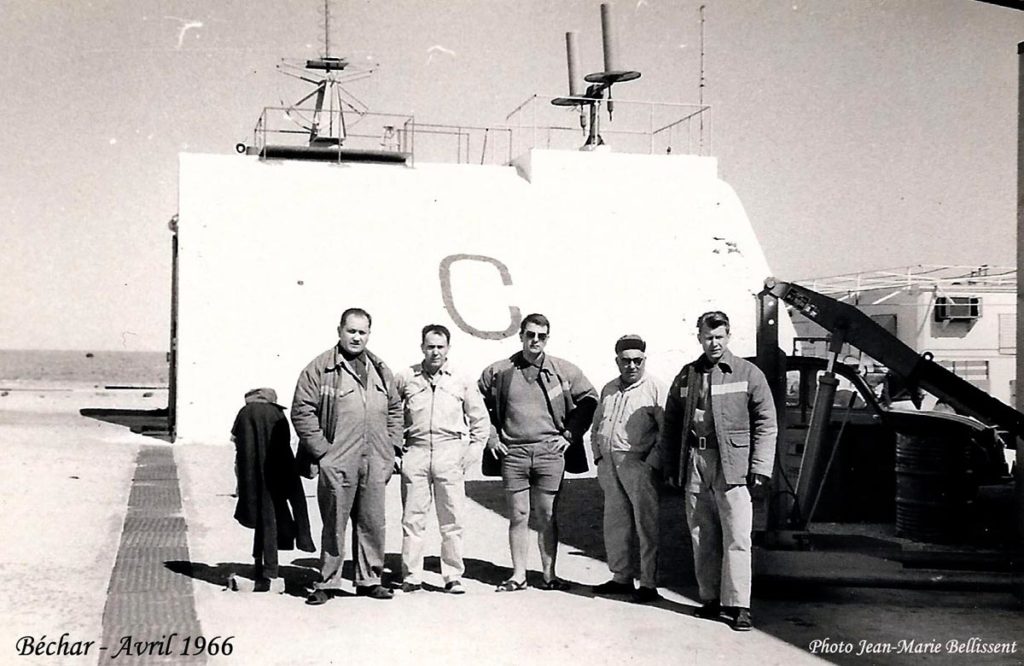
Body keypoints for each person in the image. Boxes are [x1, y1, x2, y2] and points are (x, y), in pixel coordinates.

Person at [648, 311, 777, 631]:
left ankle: (739, 606)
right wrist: (669, 464)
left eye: (720, 337)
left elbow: (766, 421)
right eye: (708, 337)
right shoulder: (687, 375)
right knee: (701, 534)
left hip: (731, 463)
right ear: (699, 338)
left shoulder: (748, 373)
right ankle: (710, 599)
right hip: (696, 460)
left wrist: (760, 466)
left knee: (737, 536)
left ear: (729, 336)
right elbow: (673, 423)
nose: (714, 343)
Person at [478, 313, 598, 591]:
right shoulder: (499, 371)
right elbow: (476, 405)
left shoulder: (563, 370)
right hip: (514, 453)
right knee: (518, 514)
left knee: (546, 515)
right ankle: (518, 575)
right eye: (530, 334)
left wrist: (569, 435)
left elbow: (590, 399)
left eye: (541, 336)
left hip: (549, 453)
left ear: (547, 338)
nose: (535, 340)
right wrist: (492, 437)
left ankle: (549, 574)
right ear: (520, 336)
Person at [291, 308, 403, 604]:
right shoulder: (320, 368)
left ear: (369, 334)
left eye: (362, 332)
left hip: (376, 458)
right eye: (351, 331)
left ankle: (369, 580)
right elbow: (302, 410)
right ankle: (327, 582)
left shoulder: (380, 368)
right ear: (339, 330)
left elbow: (394, 409)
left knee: (373, 521)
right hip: (337, 458)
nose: (356, 337)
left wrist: (392, 448)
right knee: (334, 521)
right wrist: (323, 452)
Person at [394, 324, 490, 595]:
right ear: (422, 347)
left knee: (452, 518)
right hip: (417, 450)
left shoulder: (461, 379)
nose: (435, 352)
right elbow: (390, 413)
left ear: (448, 348)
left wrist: (470, 453)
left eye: (440, 346)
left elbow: (480, 421)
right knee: (412, 519)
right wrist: (396, 451)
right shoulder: (406, 377)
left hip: (450, 452)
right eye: (430, 346)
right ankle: (411, 575)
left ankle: (452, 575)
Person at [590, 335, 667, 603]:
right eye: (626, 361)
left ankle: (648, 583)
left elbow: (665, 432)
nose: (632, 366)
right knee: (615, 522)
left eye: (637, 360)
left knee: (645, 524)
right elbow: (597, 423)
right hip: (610, 466)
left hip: (639, 465)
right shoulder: (609, 388)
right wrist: (598, 455)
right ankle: (621, 577)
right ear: (617, 361)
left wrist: (651, 464)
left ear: (644, 360)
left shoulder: (655, 388)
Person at [230, 387, 315, 593]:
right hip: (277, 472)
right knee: (274, 518)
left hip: (250, 475)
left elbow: (235, 441)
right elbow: (284, 444)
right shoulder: (277, 414)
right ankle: (271, 570)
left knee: (260, 518)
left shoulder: (243, 413)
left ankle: (261, 566)